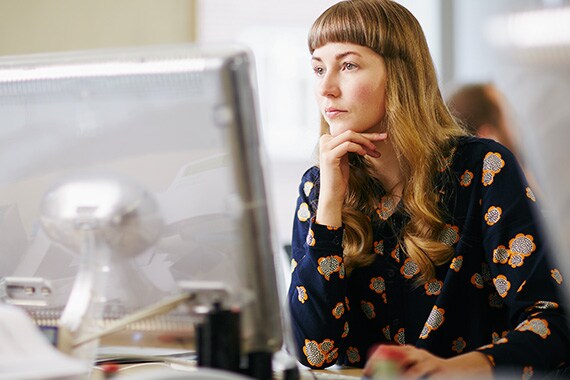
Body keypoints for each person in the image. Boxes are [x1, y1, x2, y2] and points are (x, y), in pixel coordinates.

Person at [287, 0, 570, 378]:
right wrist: (330, 208)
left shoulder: (484, 168)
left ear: (400, 75)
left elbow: (551, 325)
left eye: (348, 65)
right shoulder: (320, 186)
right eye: (319, 68)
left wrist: (453, 369)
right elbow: (315, 351)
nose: (326, 88)